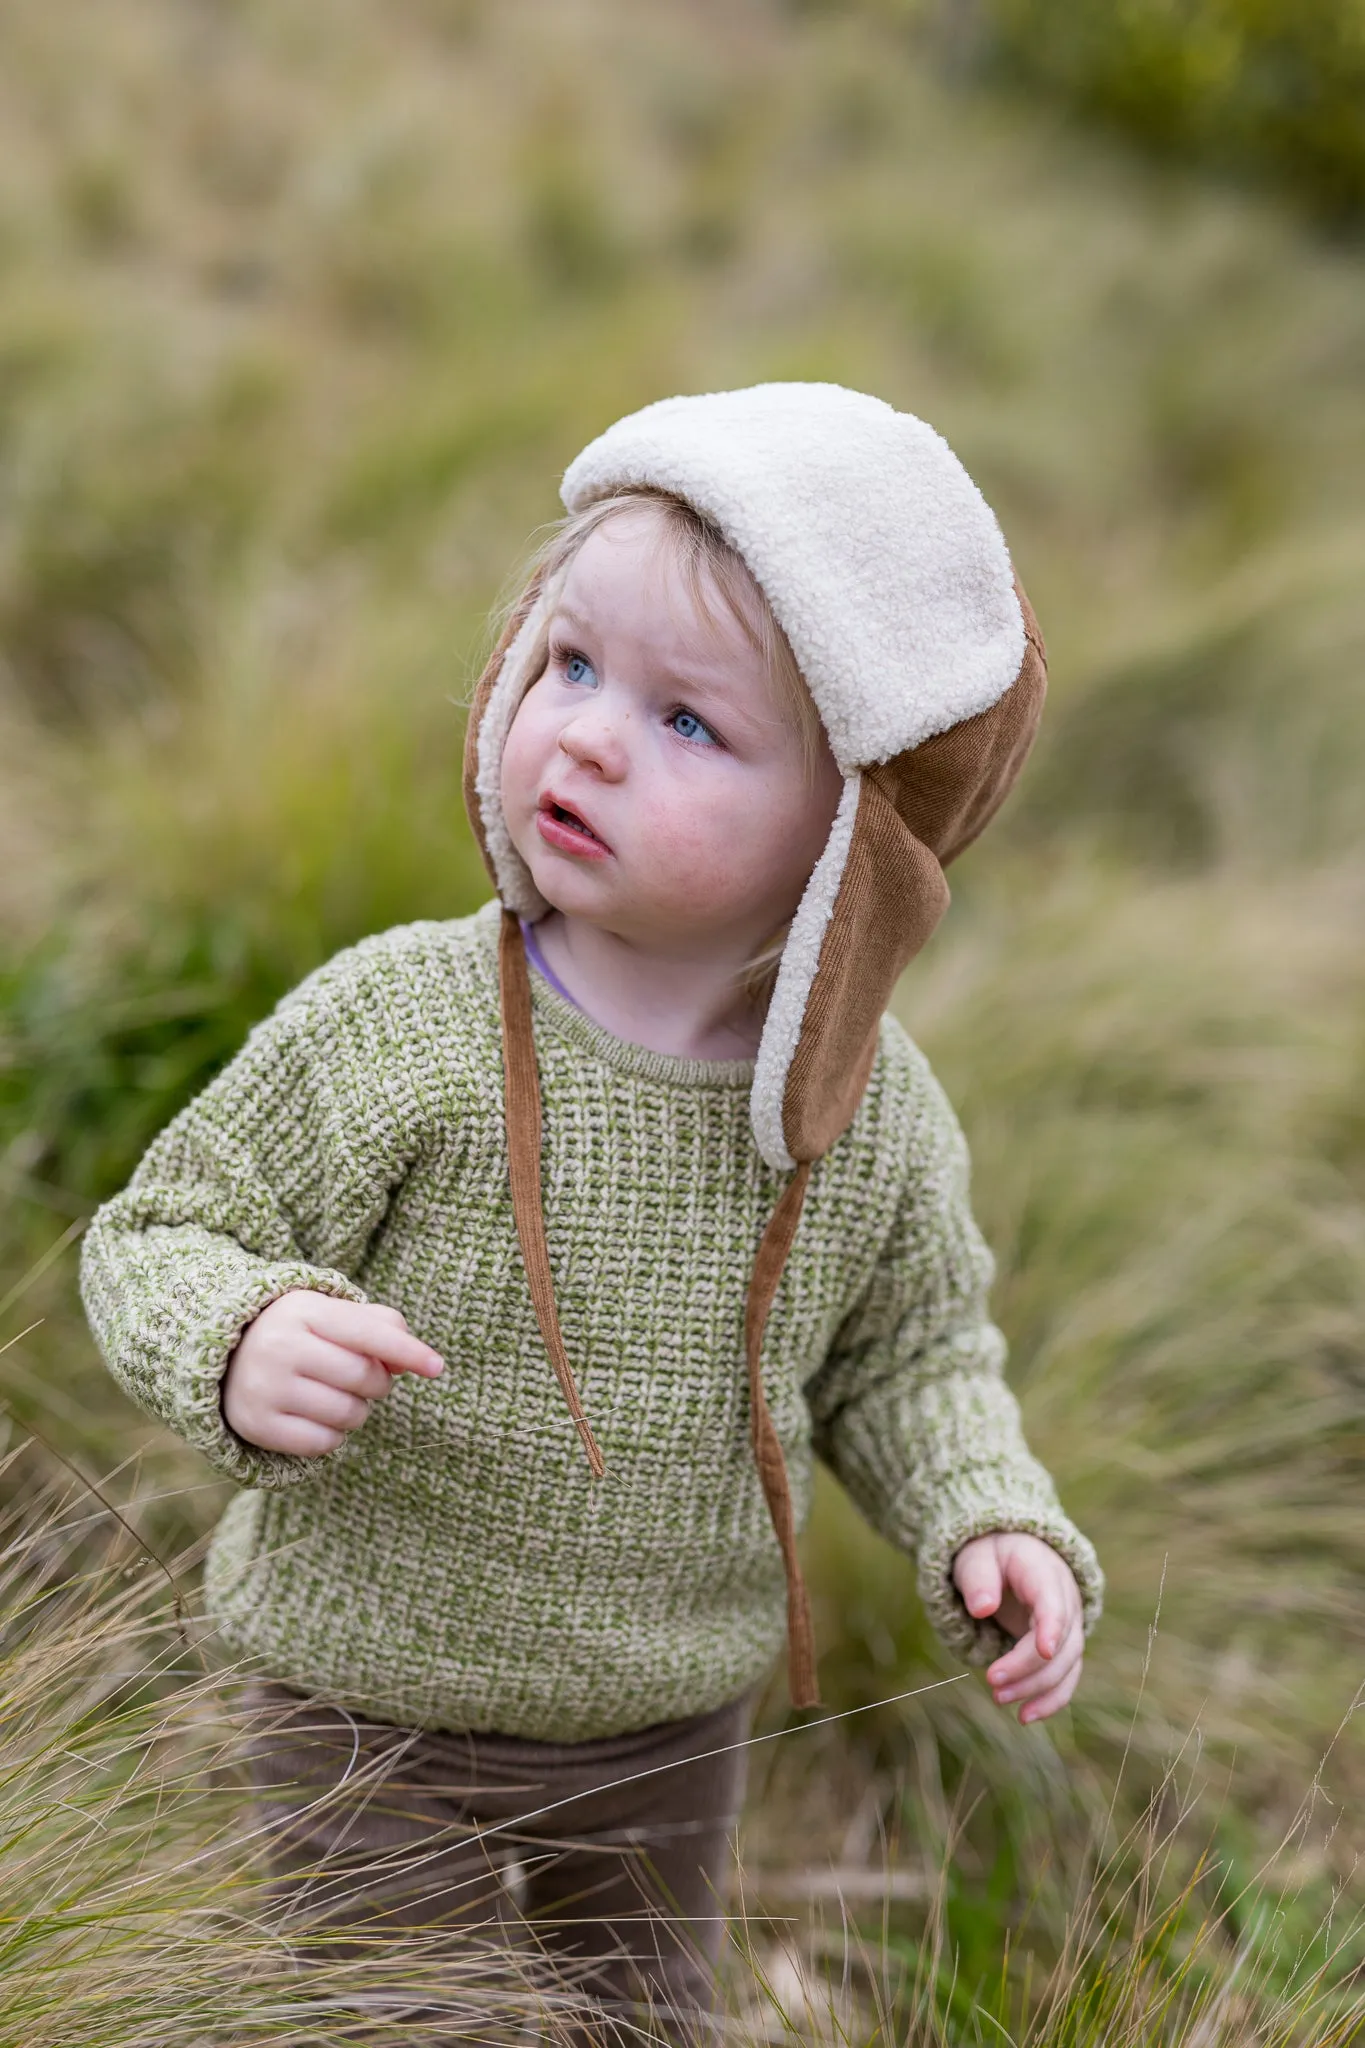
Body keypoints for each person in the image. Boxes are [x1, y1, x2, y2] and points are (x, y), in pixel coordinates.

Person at [80, 381, 1103, 2045]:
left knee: (637, 2016)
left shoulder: (865, 1119)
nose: (589, 733)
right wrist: (238, 1329)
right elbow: (159, 1232)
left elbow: (909, 1355)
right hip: (366, 1704)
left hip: (661, 1728)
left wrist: (980, 1513)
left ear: (847, 843)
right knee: (397, 2023)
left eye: (689, 721)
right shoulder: (400, 1025)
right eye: (568, 662)